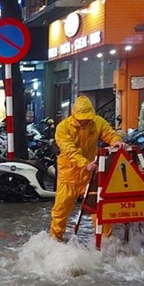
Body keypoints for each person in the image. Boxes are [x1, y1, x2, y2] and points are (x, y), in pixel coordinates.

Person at [50, 96, 125, 242]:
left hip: (90, 176)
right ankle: (55, 240)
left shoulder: (97, 122)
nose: (84, 121)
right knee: (60, 212)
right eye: (81, 119)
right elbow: (69, 150)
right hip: (69, 176)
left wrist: (117, 142)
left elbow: (110, 134)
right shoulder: (63, 128)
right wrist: (86, 164)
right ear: (74, 115)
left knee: (100, 209)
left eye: (87, 118)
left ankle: (105, 242)